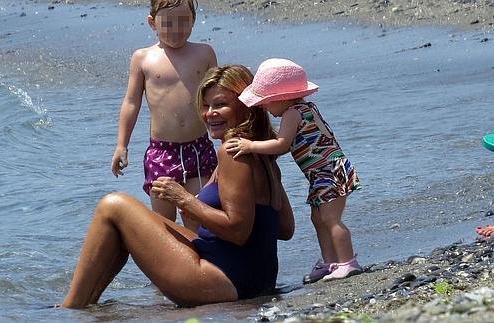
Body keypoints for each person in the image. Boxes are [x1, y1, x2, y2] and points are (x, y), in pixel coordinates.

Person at [61, 64, 295, 308]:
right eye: (206, 106)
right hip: (256, 280)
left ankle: (69, 309)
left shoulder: (233, 153)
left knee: (114, 205)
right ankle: (84, 306)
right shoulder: (262, 152)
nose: (210, 113)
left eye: (220, 104)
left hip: (226, 280)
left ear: (246, 106)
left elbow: (238, 231)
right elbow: (285, 228)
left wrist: (185, 199)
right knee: (129, 227)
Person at [225, 58, 362, 283]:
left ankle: (348, 263)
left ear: (281, 98)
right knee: (317, 219)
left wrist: (249, 146)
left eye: (266, 103)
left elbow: (282, 144)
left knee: (330, 219)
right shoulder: (304, 108)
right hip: (322, 173)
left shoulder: (292, 113)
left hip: (328, 171)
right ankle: (330, 263)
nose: (264, 108)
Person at [110, 0, 218, 231]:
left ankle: (200, 263)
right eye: (167, 23)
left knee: (198, 217)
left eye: (183, 22)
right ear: (152, 23)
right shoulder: (143, 58)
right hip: (162, 152)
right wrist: (122, 145)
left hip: (198, 148)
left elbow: (219, 98)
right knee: (164, 224)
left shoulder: (204, 53)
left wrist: (230, 134)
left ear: (193, 20)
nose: (175, 29)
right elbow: (131, 102)